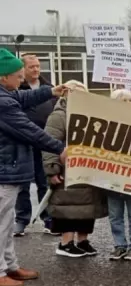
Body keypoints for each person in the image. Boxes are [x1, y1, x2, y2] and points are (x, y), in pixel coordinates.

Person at [0, 48, 67, 286]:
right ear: (3, 77)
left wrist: (51, 91)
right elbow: (29, 130)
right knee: (1, 223)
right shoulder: (3, 103)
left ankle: (10, 265)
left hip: (9, 169)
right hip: (4, 171)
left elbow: (23, 98)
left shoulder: (7, 95)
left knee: (6, 222)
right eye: (18, 76)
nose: (21, 81)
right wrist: (59, 148)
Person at [43, 80, 109, 259]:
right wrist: (52, 168)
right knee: (68, 207)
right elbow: (49, 143)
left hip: (87, 169)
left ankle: (82, 240)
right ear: (66, 94)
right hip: (67, 170)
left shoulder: (91, 114)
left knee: (87, 207)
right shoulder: (59, 116)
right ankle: (65, 243)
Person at [14, 53, 57, 236]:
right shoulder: (16, 90)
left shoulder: (49, 88)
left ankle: (48, 219)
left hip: (44, 142)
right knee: (22, 183)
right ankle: (21, 220)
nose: (36, 70)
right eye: (32, 67)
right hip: (23, 142)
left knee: (44, 181)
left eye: (38, 66)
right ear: (23, 69)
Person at [106, 89, 131, 261]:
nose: (129, 104)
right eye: (124, 101)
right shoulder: (107, 124)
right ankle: (119, 245)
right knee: (115, 215)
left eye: (130, 100)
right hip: (111, 176)